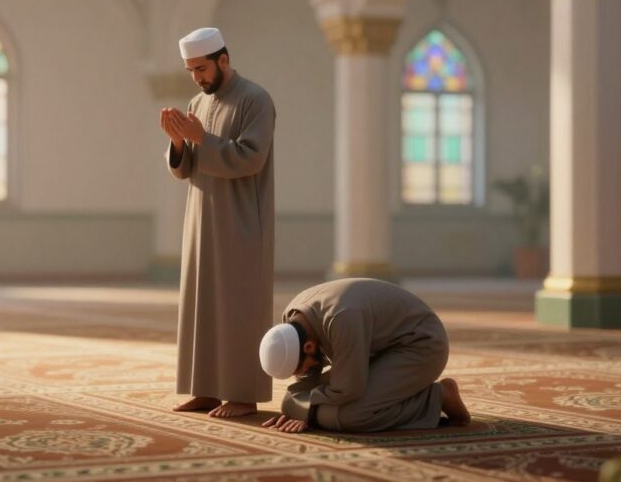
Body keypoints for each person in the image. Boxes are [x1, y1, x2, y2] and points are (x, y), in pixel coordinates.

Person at [159, 27, 276, 418]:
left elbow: (250, 158)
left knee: (239, 307)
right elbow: (186, 168)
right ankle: (205, 389)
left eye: (202, 69)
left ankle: (242, 393)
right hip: (201, 220)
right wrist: (179, 143)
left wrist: (200, 138)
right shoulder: (198, 101)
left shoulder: (255, 100)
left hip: (241, 223)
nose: (197, 78)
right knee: (202, 304)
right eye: (191, 71)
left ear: (223, 60)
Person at [258, 278, 471, 433]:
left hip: (420, 347)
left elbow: (348, 390)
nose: (303, 374)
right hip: (375, 350)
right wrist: (295, 405)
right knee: (293, 403)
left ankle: (436, 396)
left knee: (352, 417)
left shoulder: (341, 319)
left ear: (308, 348)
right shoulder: (293, 319)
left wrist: (304, 410)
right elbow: (303, 387)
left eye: (301, 368)